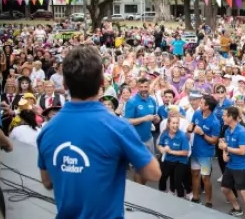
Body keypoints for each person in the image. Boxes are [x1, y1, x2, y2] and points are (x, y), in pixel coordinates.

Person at [37, 45, 161, 219]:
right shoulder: (118, 128)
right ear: (101, 83)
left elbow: (47, 182)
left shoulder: (47, 130)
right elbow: (153, 173)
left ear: (64, 84)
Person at [124, 77, 161, 184]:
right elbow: (127, 121)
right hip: (136, 140)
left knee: (147, 168)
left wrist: (156, 119)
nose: (144, 89)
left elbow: (154, 116)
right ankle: (139, 191)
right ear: (137, 87)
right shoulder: (132, 102)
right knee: (139, 168)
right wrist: (144, 119)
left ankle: (142, 188)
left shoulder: (152, 100)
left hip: (148, 138)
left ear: (149, 87)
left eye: (146, 86)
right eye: (141, 87)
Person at [219, 106, 245, 219]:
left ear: (231, 117)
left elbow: (242, 151)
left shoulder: (241, 132)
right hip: (231, 165)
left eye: (224, 115)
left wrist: (226, 148)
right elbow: (226, 151)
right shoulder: (228, 131)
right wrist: (224, 150)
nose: (222, 117)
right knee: (225, 188)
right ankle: (237, 208)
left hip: (241, 166)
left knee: (243, 191)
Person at [187, 95, 220, 207]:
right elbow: (192, 125)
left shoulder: (215, 122)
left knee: (205, 178)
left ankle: (209, 201)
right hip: (195, 151)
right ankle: (195, 198)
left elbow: (214, 141)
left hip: (206, 155)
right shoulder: (197, 113)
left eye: (201, 103)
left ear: (207, 107)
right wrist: (190, 128)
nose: (199, 104)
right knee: (194, 174)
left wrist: (202, 133)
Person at [157, 116, 190, 198]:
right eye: (173, 123)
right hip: (168, 159)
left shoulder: (182, 136)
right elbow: (159, 145)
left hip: (180, 161)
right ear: (168, 124)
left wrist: (170, 151)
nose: (175, 125)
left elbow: (185, 152)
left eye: (177, 123)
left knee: (177, 182)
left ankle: (181, 197)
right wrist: (161, 149)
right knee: (162, 177)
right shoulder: (165, 134)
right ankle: (162, 194)